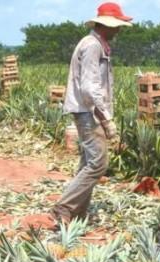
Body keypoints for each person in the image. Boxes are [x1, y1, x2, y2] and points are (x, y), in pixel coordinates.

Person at [51, 2, 132, 224]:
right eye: (116, 26)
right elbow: (89, 87)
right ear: (106, 25)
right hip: (89, 112)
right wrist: (106, 118)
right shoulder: (92, 46)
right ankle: (64, 207)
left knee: (88, 162)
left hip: (89, 111)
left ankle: (77, 212)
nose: (118, 31)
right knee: (98, 163)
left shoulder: (97, 44)